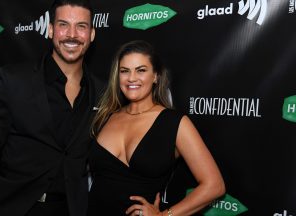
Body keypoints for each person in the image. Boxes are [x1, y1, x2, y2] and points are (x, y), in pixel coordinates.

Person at [0, 0, 102, 216]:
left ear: (92, 34)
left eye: (81, 26)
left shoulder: (102, 91)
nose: (72, 34)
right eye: (63, 25)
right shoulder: (13, 80)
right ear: (50, 30)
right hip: (16, 208)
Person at [87, 40, 225, 216]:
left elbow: (214, 185)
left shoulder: (175, 123)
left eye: (141, 70)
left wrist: (164, 215)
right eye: (124, 71)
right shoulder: (105, 117)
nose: (131, 78)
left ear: (156, 76)